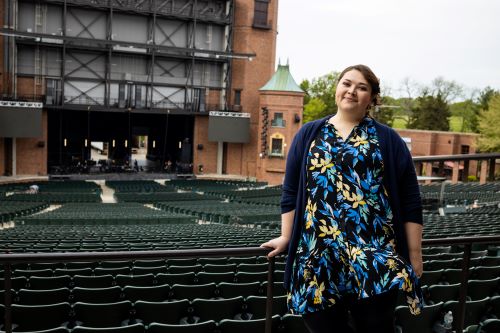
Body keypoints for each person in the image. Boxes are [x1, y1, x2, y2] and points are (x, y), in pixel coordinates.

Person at [261, 64, 423, 333]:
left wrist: (415, 255)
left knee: (375, 327)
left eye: (362, 87)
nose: (352, 91)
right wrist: (287, 236)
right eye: (347, 83)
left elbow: (410, 200)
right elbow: (290, 192)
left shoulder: (388, 139)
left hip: (374, 257)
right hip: (318, 256)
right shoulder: (308, 134)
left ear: (371, 98)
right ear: (337, 87)